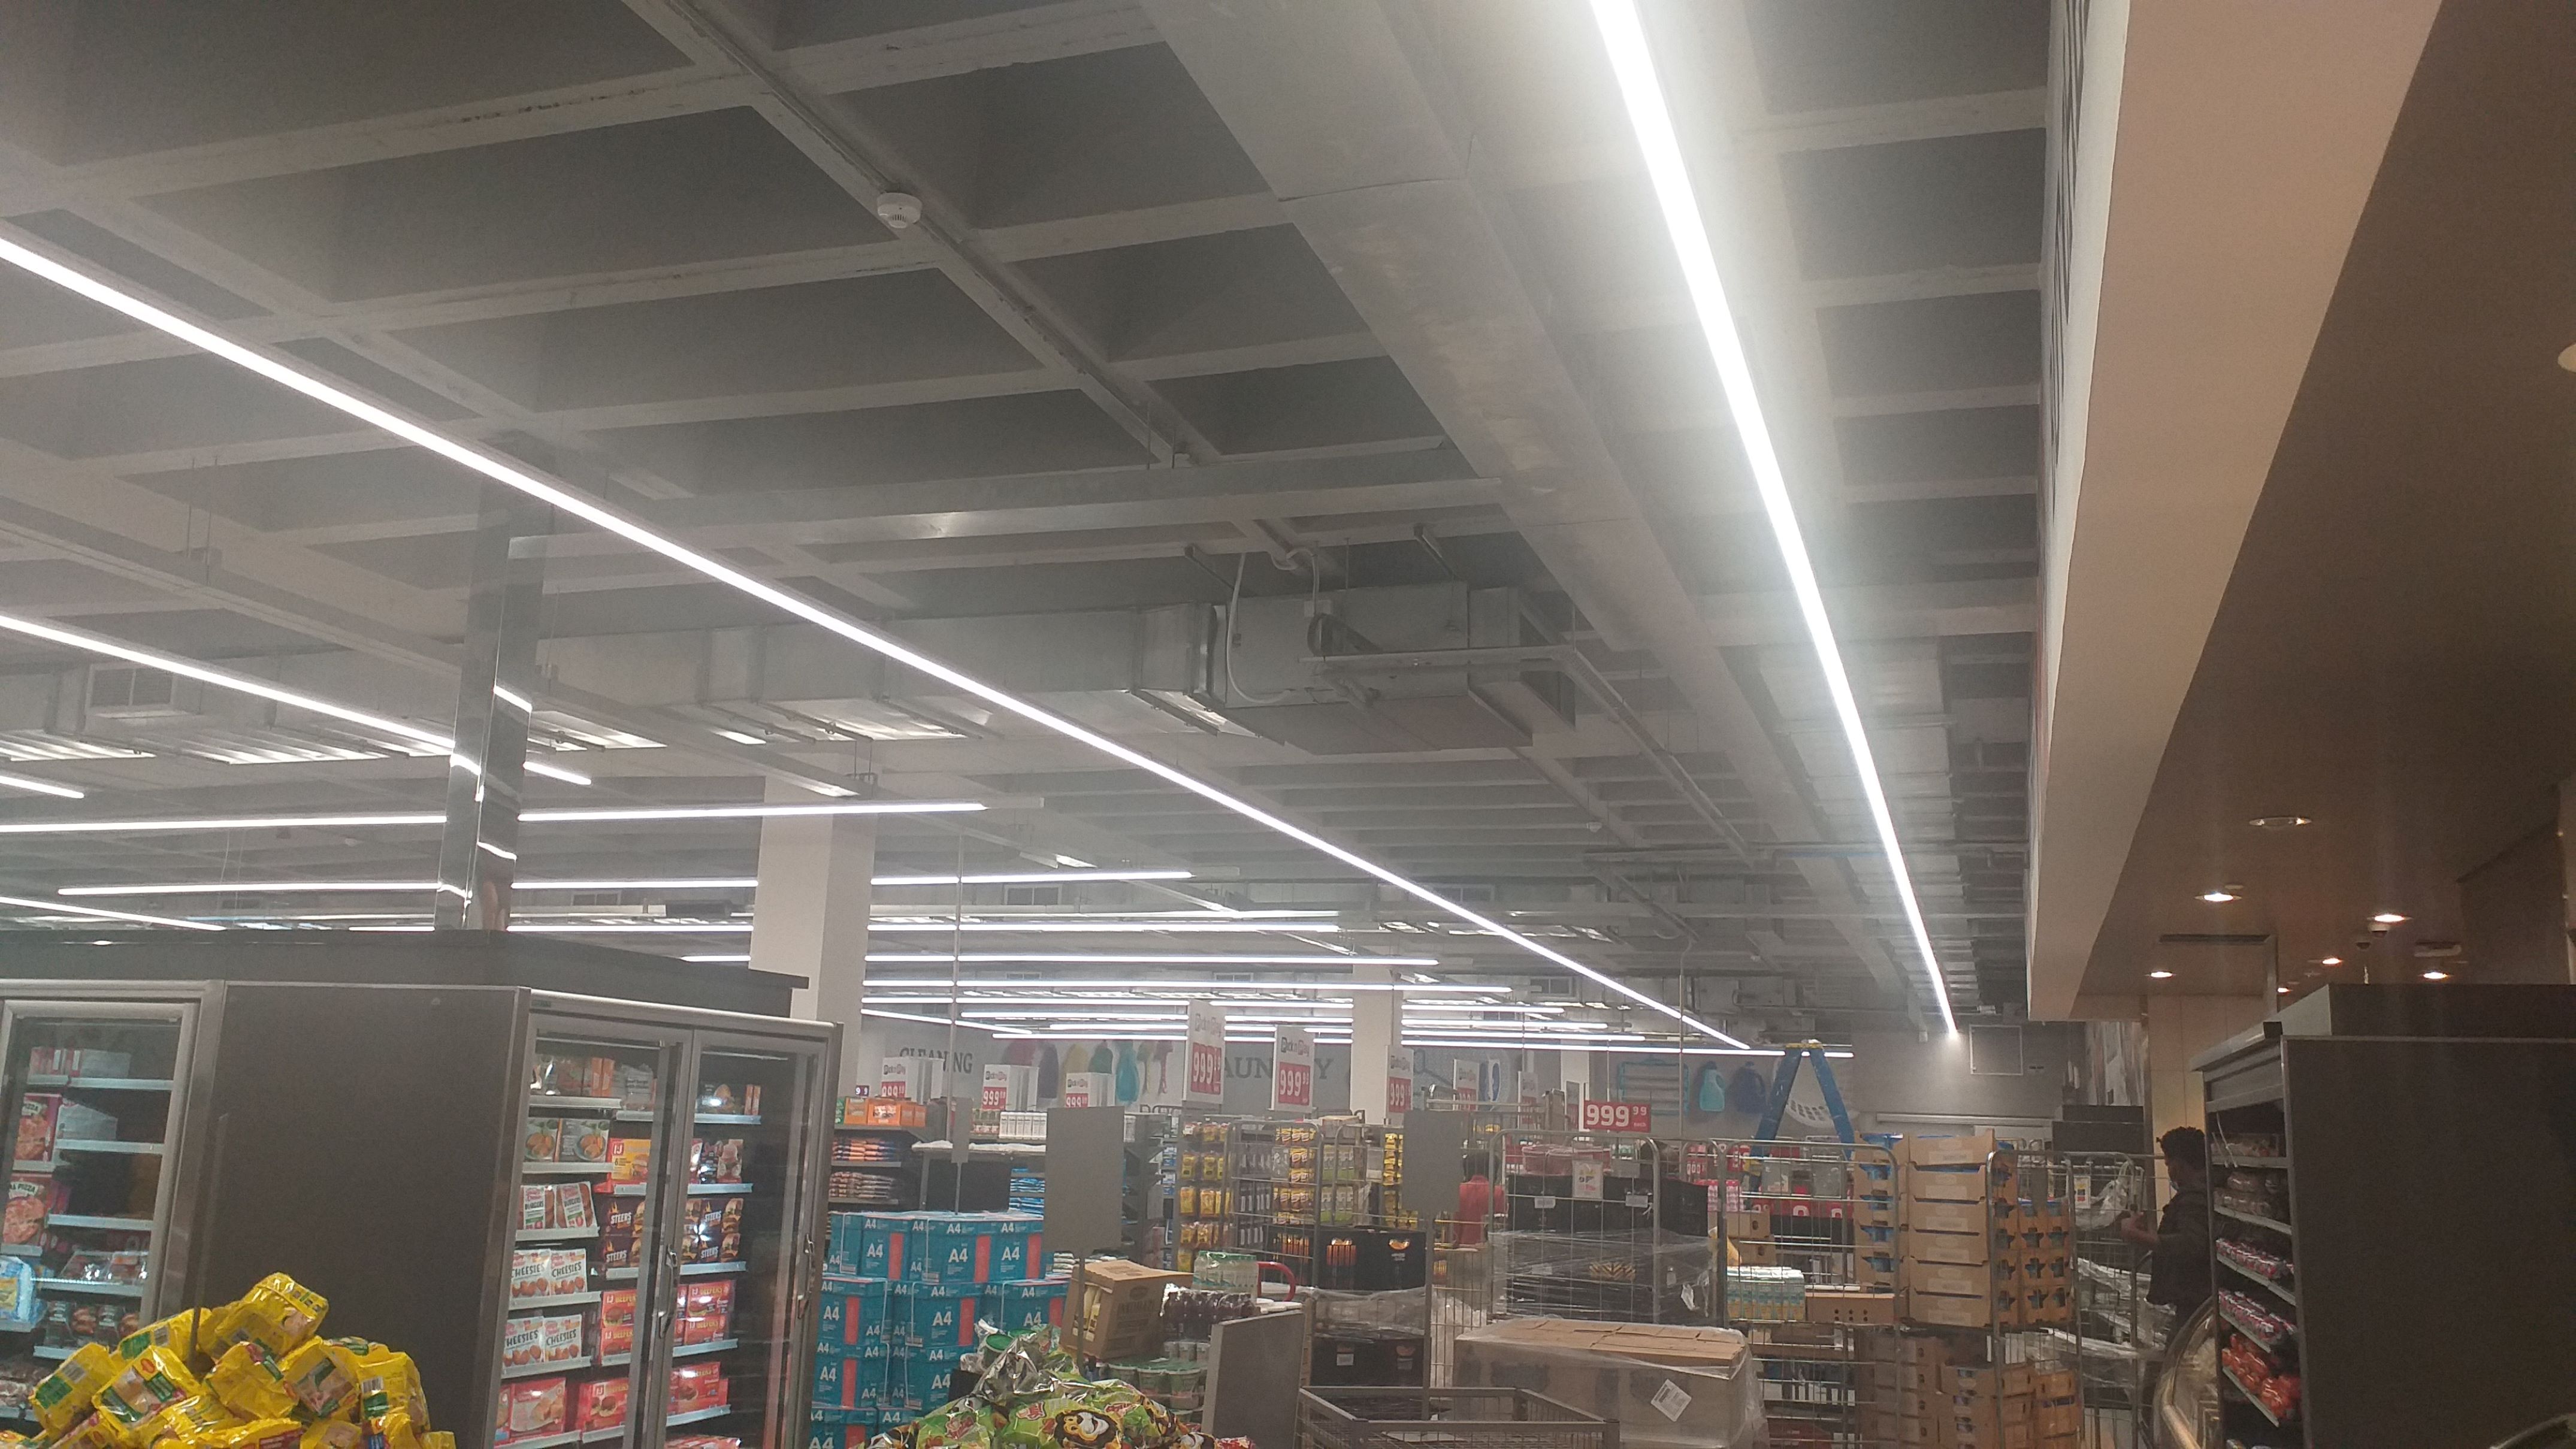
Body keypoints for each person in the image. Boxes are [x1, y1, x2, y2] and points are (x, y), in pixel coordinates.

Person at [2120, 1125, 2214, 1313]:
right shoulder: (2207, 1190)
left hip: (2196, 1299)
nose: (2169, 1170)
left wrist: (2136, 1235)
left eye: (2168, 1164)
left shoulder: (2195, 1198)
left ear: (2178, 1164)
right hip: (2201, 1296)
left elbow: (2192, 1244)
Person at [1453, 1149, 1495, 1246]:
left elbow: (1453, 1229)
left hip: (1462, 1248)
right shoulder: (1498, 1192)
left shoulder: (1458, 1191)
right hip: (1490, 1250)